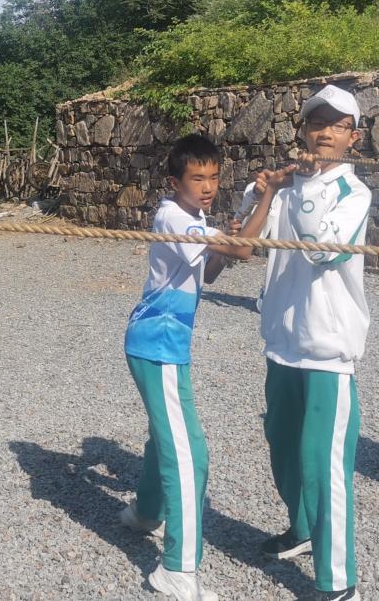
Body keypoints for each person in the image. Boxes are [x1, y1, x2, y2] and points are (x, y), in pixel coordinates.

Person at [120, 135, 263, 601]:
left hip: (162, 344)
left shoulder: (195, 219)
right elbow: (245, 251)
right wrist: (267, 199)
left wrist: (220, 245)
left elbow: (211, 273)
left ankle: (144, 513)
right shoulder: (172, 216)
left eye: (214, 177)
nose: (207, 187)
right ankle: (177, 570)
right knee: (190, 454)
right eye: (197, 178)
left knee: (165, 433)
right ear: (173, 181)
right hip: (157, 344)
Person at [247, 85, 370, 601]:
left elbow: (322, 251)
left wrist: (300, 186)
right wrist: (266, 189)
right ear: (303, 130)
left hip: (328, 348)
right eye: (316, 123)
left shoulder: (354, 193)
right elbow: (248, 237)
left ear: (353, 138)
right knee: (283, 448)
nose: (324, 133)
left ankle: (339, 581)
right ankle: (300, 529)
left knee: (324, 464)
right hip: (282, 341)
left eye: (337, 126)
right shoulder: (287, 184)